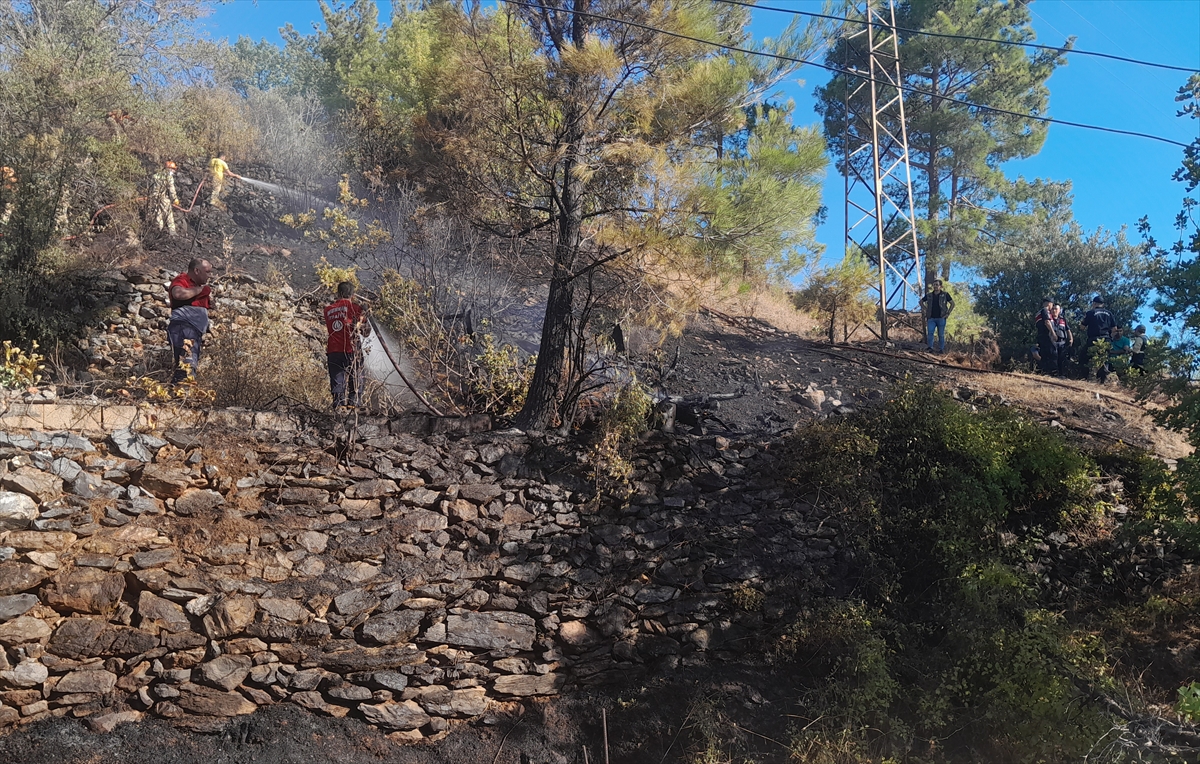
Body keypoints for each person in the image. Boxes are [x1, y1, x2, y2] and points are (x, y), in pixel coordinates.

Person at [324, 281, 371, 408]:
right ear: (353, 294)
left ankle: (338, 408)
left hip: (333, 351)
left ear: (338, 293)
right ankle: (354, 406)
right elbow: (365, 332)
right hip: (351, 350)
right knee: (356, 377)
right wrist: (364, 315)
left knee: (337, 380)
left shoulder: (328, 310)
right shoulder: (355, 309)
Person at [167, 259, 213, 384]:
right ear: (197, 271)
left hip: (193, 331)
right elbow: (178, 294)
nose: (210, 275)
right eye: (207, 272)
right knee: (187, 365)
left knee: (187, 365)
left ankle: (179, 395)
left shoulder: (198, 287)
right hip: (184, 328)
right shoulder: (182, 279)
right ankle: (181, 397)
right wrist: (201, 290)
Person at [1080, 296, 1116, 379]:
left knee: (1085, 357)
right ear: (1102, 304)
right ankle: (1102, 379)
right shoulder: (1109, 313)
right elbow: (1114, 329)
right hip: (1106, 339)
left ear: (1094, 303)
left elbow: (1082, 327)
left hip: (1094, 339)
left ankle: (1085, 377)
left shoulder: (1090, 312)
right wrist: (1110, 337)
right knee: (1104, 359)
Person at [919, 279, 954, 353]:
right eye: (934, 285)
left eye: (937, 285)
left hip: (941, 317)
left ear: (940, 286)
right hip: (931, 318)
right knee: (930, 333)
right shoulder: (929, 295)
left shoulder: (945, 294)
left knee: (941, 334)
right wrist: (925, 309)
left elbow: (952, 303)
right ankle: (930, 347)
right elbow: (921, 302)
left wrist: (948, 313)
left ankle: (941, 349)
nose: (935, 286)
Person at [151, 161, 180, 235]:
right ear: (168, 169)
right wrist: (175, 199)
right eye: (173, 169)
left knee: (158, 213)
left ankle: (159, 230)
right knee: (168, 213)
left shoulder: (156, 175)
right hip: (163, 198)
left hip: (154, 197)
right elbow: (171, 189)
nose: (173, 171)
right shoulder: (168, 178)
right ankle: (172, 231)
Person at [1033, 297, 1056, 374]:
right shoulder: (1045, 311)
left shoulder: (1038, 313)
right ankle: (1051, 372)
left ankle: (1044, 371)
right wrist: (1053, 333)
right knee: (1051, 354)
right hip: (1047, 336)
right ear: (1050, 303)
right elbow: (1047, 322)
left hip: (1040, 336)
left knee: (1043, 354)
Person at [1051, 304, 1073, 377]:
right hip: (1052, 341)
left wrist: (1071, 339)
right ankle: (1054, 374)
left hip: (1062, 342)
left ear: (1059, 310)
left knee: (1062, 358)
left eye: (1056, 309)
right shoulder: (1049, 319)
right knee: (1053, 357)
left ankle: (1061, 374)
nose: (1054, 310)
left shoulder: (1063, 320)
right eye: (1053, 309)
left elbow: (1068, 330)